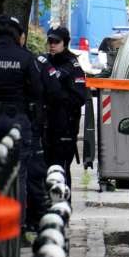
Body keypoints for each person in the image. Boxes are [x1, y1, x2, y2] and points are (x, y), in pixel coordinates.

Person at [0, 15, 44, 220]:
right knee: (18, 173)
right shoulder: (25, 57)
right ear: (16, 33)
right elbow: (38, 91)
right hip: (16, 120)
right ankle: (17, 225)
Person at [15, 22, 64, 234]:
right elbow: (52, 90)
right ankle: (35, 219)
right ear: (22, 37)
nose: (51, 45)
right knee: (33, 172)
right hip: (28, 125)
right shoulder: (31, 61)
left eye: (56, 41)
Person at [44, 26, 88, 188]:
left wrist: (58, 97)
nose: (52, 45)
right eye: (50, 41)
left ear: (65, 43)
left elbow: (79, 97)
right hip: (46, 126)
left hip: (65, 127)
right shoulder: (44, 61)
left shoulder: (72, 66)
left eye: (56, 41)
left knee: (61, 169)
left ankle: (62, 205)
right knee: (45, 168)